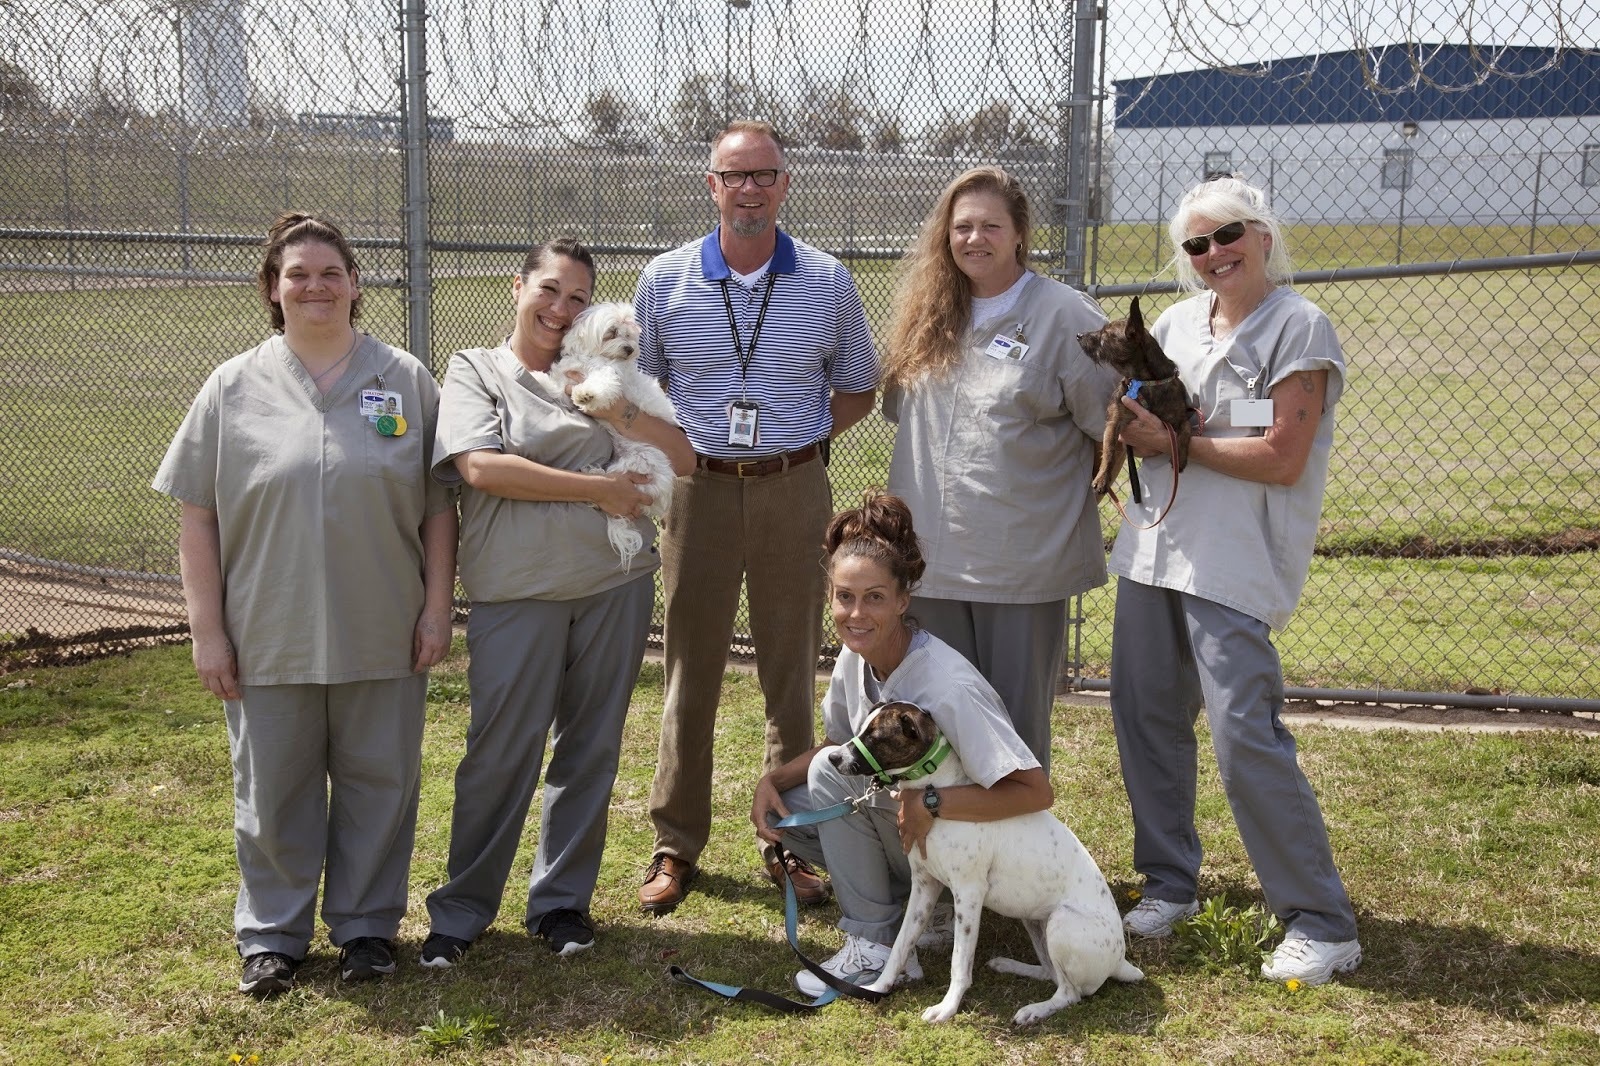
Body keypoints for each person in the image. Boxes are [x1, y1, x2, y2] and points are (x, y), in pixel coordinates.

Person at [152, 212, 457, 997]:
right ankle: (274, 937)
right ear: (273, 290)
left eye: (331, 273)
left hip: (381, 623)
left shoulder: (404, 379)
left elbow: (436, 509)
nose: (315, 286)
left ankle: (365, 928)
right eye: (298, 275)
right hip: (267, 629)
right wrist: (208, 631)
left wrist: (435, 609)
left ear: (356, 285)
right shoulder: (232, 386)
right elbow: (197, 513)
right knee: (273, 789)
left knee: (379, 782)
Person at [1107, 176, 1361, 985]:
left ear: (1263, 236)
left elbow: (1284, 458)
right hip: (1154, 549)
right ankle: (1169, 881)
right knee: (1145, 717)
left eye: (1229, 236)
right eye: (1196, 244)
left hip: (1234, 560)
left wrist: (1176, 446)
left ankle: (1321, 922)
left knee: (1243, 732)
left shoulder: (1299, 327)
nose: (1214, 254)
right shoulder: (1178, 324)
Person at [420, 239, 694, 965]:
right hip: (519, 591)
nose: (560, 308)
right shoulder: (477, 370)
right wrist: (599, 489)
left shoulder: (612, 375)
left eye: (578, 298)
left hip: (614, 585)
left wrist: (614, 408)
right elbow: (481, 467)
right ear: (517, 287)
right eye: (548, 289)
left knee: (590, 749)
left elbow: (686, 457)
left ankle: (561, 904)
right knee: (500, 752)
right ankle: (463, 908)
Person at [632, 120, 880, 915]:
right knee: (690, 669)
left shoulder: (827, 279)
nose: (748, 189)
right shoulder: (666, 280)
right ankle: (676, 843)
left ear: (783, 185)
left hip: (793, 489)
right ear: (711, 185)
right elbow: (643, 391)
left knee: (789, 670)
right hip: (696, 491)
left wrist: (791, 448)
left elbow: (856, 387)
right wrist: (692, 455)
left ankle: (790, 841)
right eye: (732, 176)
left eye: (763, 175)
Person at [750, 491, 1052, 994]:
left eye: (875, 597)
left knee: (828, 774)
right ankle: (914, 913)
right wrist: (772, 779)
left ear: (903, 600)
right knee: (789, 814)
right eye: (845, 596)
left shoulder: (946, 685)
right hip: (913, 825)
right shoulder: (856, 655)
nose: (857, 613)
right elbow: (842, 740)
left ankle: (876, 940)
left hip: (972, 841)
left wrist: (931, 801)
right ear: (829, 597)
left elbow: (1034, 792)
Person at [882, 166, 1119, 771]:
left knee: (1011, 730)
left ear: (1019, 235)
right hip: (932, 563)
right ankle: (942, 857)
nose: (974, 238)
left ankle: (1014, 858)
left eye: (991, 225)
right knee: (930, 725)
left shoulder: (1065, 315)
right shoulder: (928, 315)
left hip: (1020, 564)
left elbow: (1111, 424)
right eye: (962, 226)